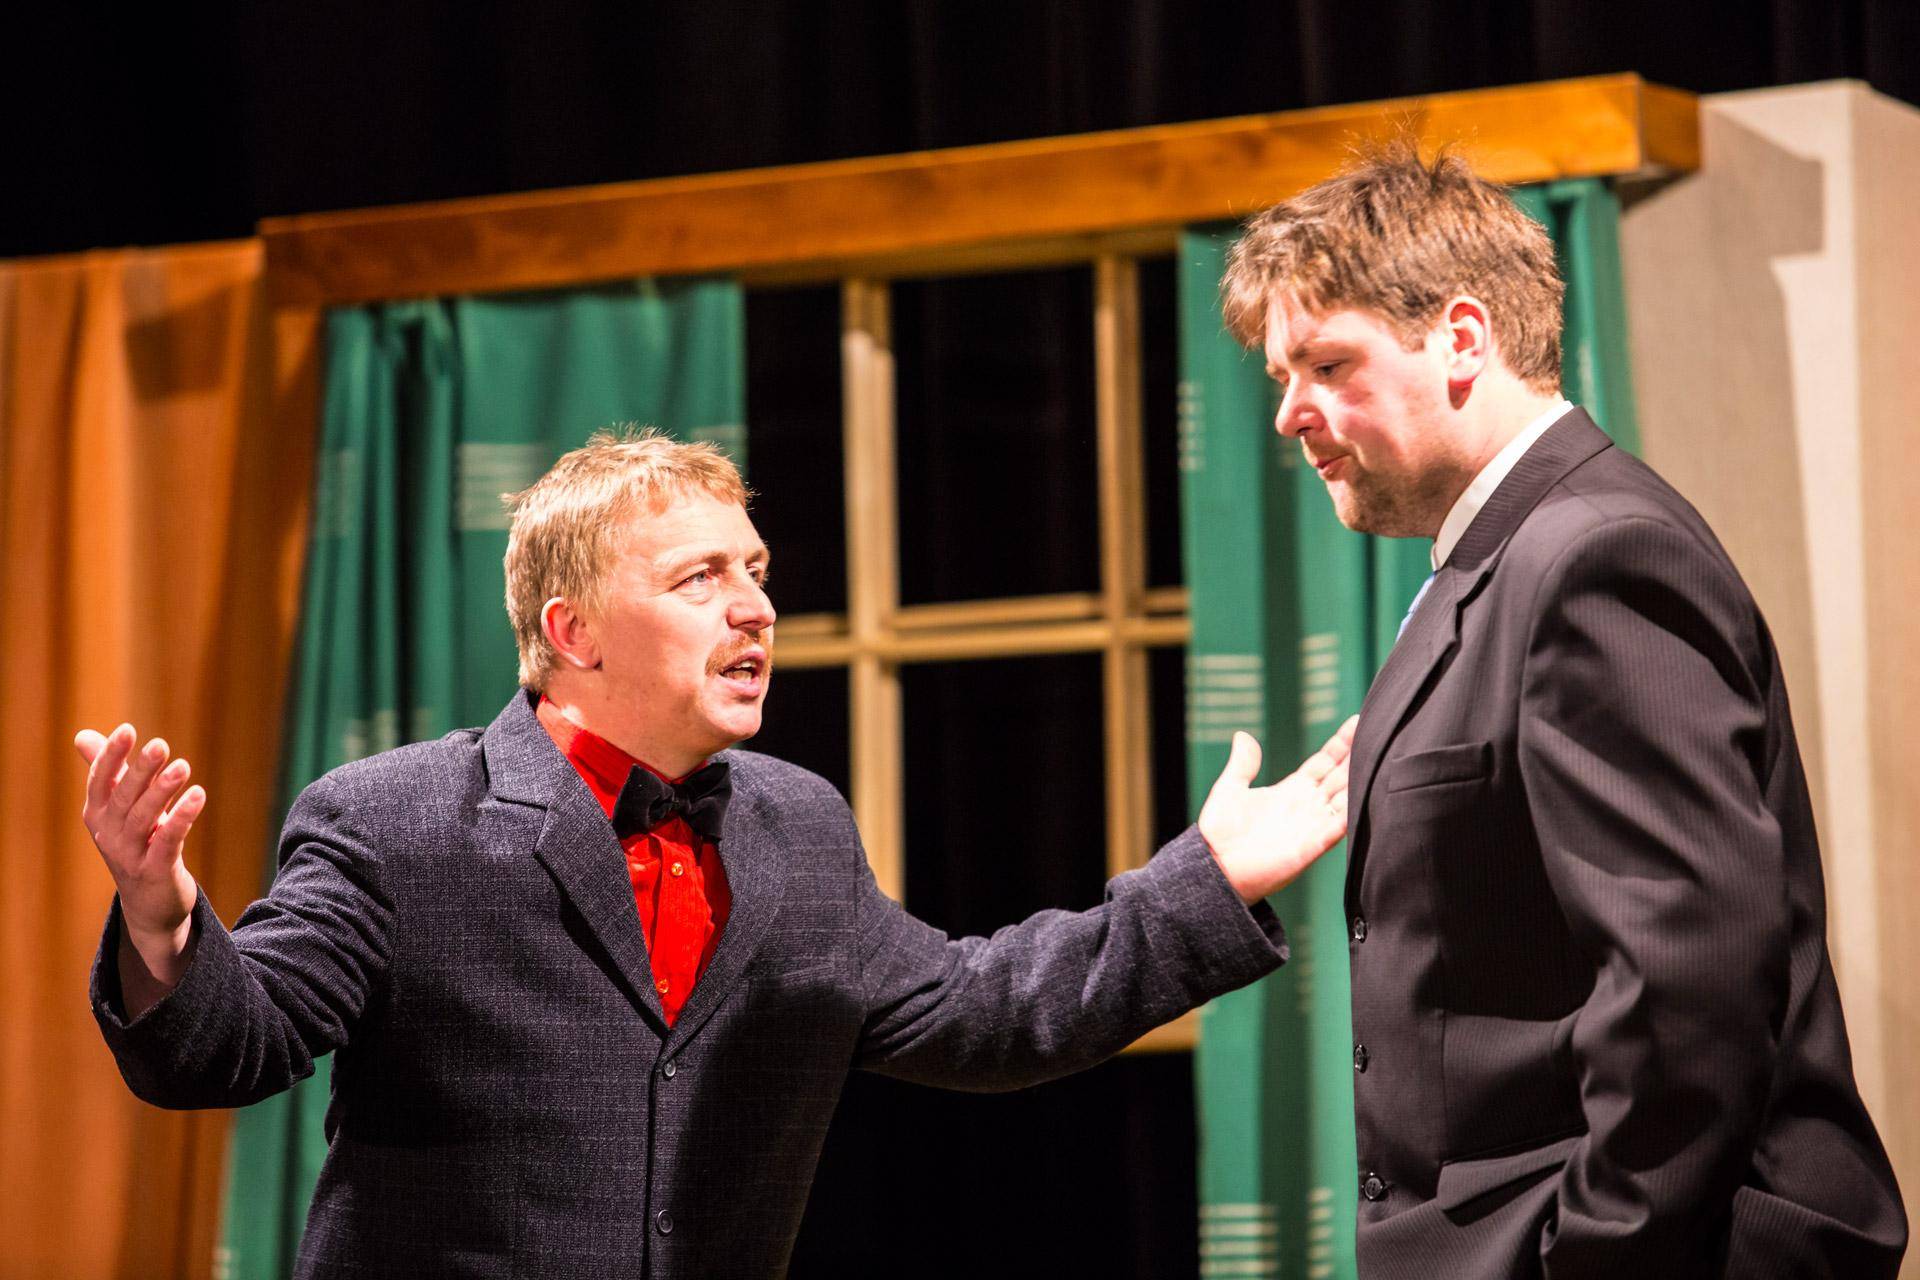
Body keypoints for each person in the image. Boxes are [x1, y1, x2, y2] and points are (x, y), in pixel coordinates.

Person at [81, 429, 1356, 1280]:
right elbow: (230, 1046)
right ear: (574, 630)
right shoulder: (394, 818)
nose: (757, 606)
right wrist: (162, 914)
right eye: (701, 578)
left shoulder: (797, 826)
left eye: (755, 570)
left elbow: (984, 1009)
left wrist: (1210, 878)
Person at [1218, 145, 1906, 1278]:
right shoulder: (1502, 560)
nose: (1291, 413)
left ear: (1463, 338)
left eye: (1328, 363)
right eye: (1282, 375)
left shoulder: (1596, 557)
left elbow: (1688, 994)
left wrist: (1587, 1258)